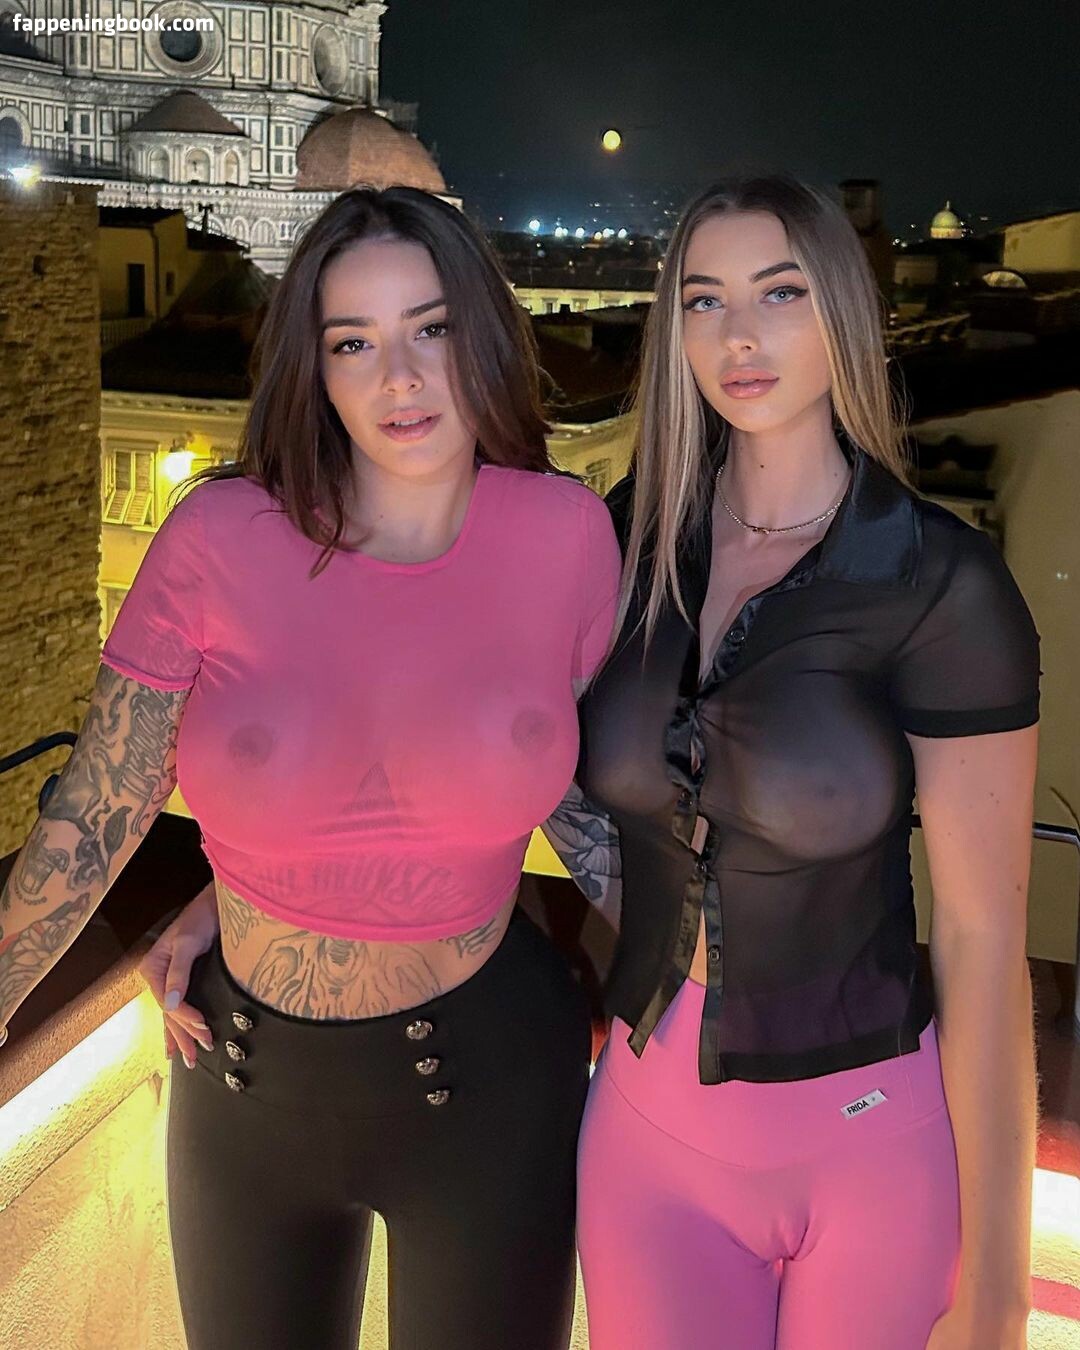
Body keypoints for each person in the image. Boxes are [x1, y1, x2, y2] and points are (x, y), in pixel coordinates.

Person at [0, 186, 621, 1350]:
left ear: (484, 334)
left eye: (431, 329)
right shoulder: (217, 537)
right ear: (315, 368)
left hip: (492, 1084)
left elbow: (591, 809)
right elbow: (98, 810)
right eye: (354, 343)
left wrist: (731, 992)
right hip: (243, 1085)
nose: (401, 377)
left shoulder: (566, 535)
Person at [563, 177, 1039, 1349]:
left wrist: (998, 1288)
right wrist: (238, 897)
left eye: (780, 294)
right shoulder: (622, 543)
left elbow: (984, 939)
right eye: (704, 299)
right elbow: (471, 735)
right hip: (644, 1142)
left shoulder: (940, 582)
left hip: (871, 1149)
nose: (740, 335)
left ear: (842, 310)